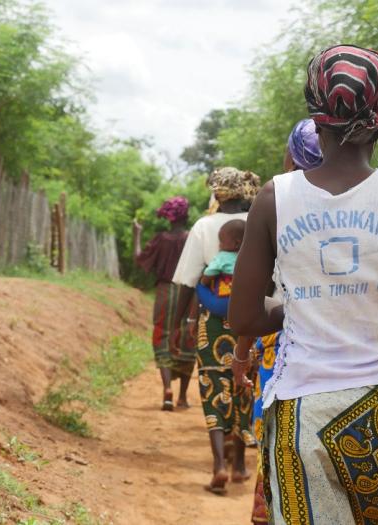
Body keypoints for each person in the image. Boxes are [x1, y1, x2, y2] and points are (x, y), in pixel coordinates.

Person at [229, 44, 378, 524]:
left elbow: (244, 316)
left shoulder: (276, 198)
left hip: (305, 405)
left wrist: (293, 307)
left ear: (314, 113)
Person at [246, 118, 324, 525]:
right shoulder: (368, 196)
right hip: (356, 351)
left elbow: (252, 292)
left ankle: (272, 508)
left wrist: (243, 349)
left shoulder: (275, 201)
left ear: (291, 157)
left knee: (276, 442)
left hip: (285, 347)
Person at [170, 167, 261, 495]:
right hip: (253, 319)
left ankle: (219, 465)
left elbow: (189, 280)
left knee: (213, 387)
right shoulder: (260, 220)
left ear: (217, 193)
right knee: (245, 386)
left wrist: (178, 323)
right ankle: (239, 465)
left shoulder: (204, 227)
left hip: (212, 321)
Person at [132, 196, 196, 411]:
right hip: (188, 292)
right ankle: (183, 397)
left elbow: (139, 258)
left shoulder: (161, 239)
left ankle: (167, 390)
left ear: (168, 218)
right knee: (188, 335)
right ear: (186, 216)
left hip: (164, 293)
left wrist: (137, 234)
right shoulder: (192, 238)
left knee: (163, 335)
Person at [199, 219, 245, 289]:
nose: (219, 245)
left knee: (199, 288)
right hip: (246, 291)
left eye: (221, 241)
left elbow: (210, 272)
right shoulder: (250, 256)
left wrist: (203, 282)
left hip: (227, 294)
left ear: (236, 243)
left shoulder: (222, 256)